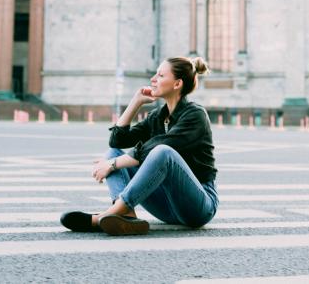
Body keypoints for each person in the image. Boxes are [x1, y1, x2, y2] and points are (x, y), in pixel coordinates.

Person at [60, 56, 218, 236]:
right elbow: (117, 141)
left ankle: (107, 215)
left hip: (198, 207)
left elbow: (156, 147)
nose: (153, 79)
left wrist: (112, 165)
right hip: (167, 207)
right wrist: (135, 102)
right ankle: (126, 215)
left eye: (160, 75)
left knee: (162, 152)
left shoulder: (195, 115)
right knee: (112, 153)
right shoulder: (158, 116)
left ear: (177, 84)